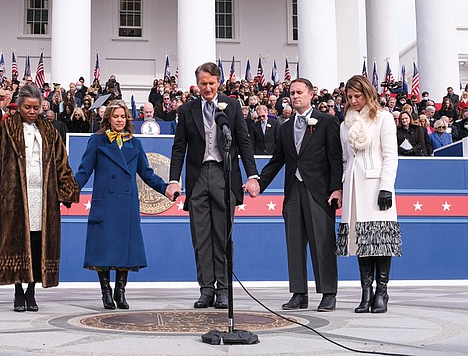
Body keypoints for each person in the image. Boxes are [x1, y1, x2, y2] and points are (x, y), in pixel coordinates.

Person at [0, 84, 80, 312]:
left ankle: (31, 292)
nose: (32, 111)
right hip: (15, 197)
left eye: (36, 107)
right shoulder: (4, 128)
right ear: (18, 106)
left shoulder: (50, 131)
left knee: (38, 243)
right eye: (28, 107)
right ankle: (18, 292)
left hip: (44, 197)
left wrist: (68, 189)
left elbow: (62, 163)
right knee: (18, 242)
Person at [165, 62, 259, 310]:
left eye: (211, 83)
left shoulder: (233, 105)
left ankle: (224, 290)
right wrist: (174, 179)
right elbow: (179, 147)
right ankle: (206, 289)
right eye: (203, 83)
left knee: (222, 236)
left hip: (224, 175)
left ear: (219, 83)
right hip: (198, 178)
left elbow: (244, 142)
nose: (207, 88)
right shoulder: (187, 110)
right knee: (201, 237)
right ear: (197, 84)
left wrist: (253, 175)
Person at [257, 78, 343, 312]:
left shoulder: (328, 122)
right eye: (292, 93)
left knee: (322, 243)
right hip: (293, 191)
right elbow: (277, 161)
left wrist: (337, 188)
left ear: (311, 94)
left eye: (299, 92)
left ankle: (328, 293)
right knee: (294, 243)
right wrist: (259, 183)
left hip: (319, 191)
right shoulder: (284, 127)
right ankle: (299, 293)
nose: (295, 96)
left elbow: (335, 159)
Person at [74, 100, 169, 309]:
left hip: (126, 204)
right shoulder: (97, 140)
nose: (119, 120)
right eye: (115, 116)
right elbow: (84, 171)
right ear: (108, 118)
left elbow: (146, 173)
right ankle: (106, 292)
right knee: (103, 250)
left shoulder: (134, 143)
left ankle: (120, 291)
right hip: (105, 203)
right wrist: (69, 191)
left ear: (127, 119)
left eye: (123, 116)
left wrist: (165, 188)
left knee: (125, 249)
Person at [336, 75, 401, 314]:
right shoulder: (345, 124)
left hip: (376, 186)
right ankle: (366, 293)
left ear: (367, 94)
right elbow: (345, 159)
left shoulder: (383, 118)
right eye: (349, 97)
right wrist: (344, 186)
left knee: (380, 240)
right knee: (361, 241)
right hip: (354, 187)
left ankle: (382, 291)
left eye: (357, 96)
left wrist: (386, 186)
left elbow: (390, 155)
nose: (353, 101)